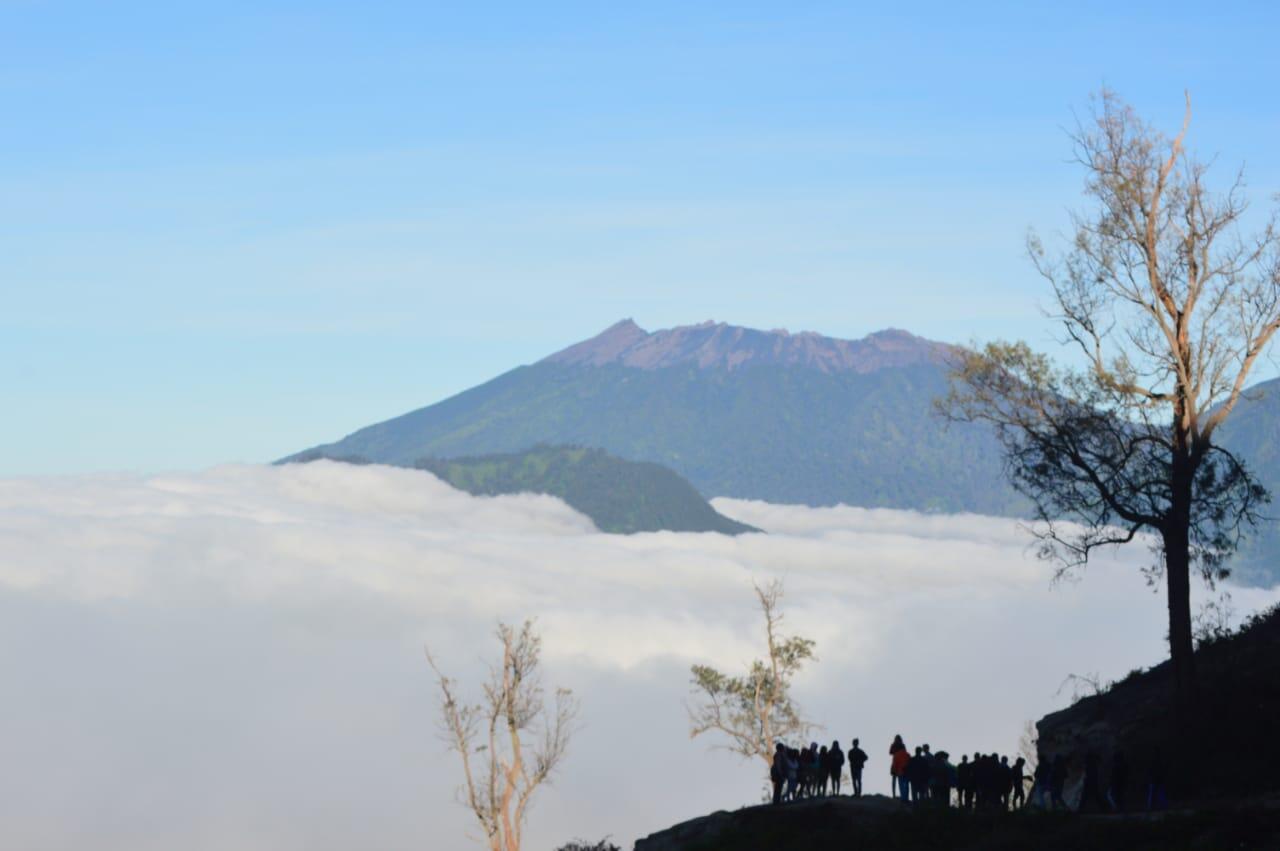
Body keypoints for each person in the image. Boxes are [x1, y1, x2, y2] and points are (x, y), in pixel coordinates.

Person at [890, 736, 910, 801]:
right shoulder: (901, 745)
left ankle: (894, 794)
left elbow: (890, 752)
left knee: (895, 780)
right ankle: (902, 796)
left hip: (896, 762)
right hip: (900, 764)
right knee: (902, 782)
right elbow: (905, 753)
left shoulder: (894, 745)